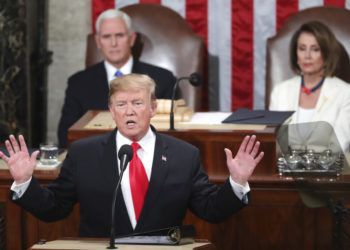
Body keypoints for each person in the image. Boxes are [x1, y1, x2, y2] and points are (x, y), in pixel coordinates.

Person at [0, 74, 264, 238]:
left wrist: (237, 183)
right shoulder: (84, 154)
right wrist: (24, 183)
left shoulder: (184, 155)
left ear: (152, 108)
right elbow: (54, 208)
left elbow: (211, 210)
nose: (129, 112)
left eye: (137, 103)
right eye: (121, 104)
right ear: (111, 111)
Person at [57, 9, 177, 148]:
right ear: (98, 41)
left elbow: (171, 135)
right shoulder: (78, 83)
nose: (113, 43)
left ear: (131, 39)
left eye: (119, 35)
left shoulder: (162, 79)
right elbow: (65, 135)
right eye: (107, 37)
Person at [269, 21, 350, 152]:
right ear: (296, 54)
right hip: (285, 169)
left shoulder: (345, 93)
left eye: (315, 49)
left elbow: (339, 144)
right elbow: (274, 141)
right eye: (302, 48)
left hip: (327, 169)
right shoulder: (280, 91)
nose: (307, 56)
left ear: (326, 53)